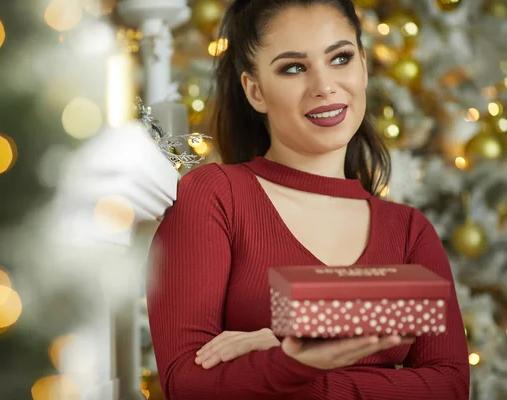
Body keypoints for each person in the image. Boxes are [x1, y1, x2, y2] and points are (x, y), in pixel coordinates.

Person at [146, 0, 470, 399]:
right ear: (255, 90)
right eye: (294, 67)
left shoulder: (409, 231)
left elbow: (450, 385)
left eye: (341, 58)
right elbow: (186, 383)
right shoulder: (215, 197)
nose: (324, 85)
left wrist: (298, 364)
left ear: (363, 66)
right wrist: (298, 363)